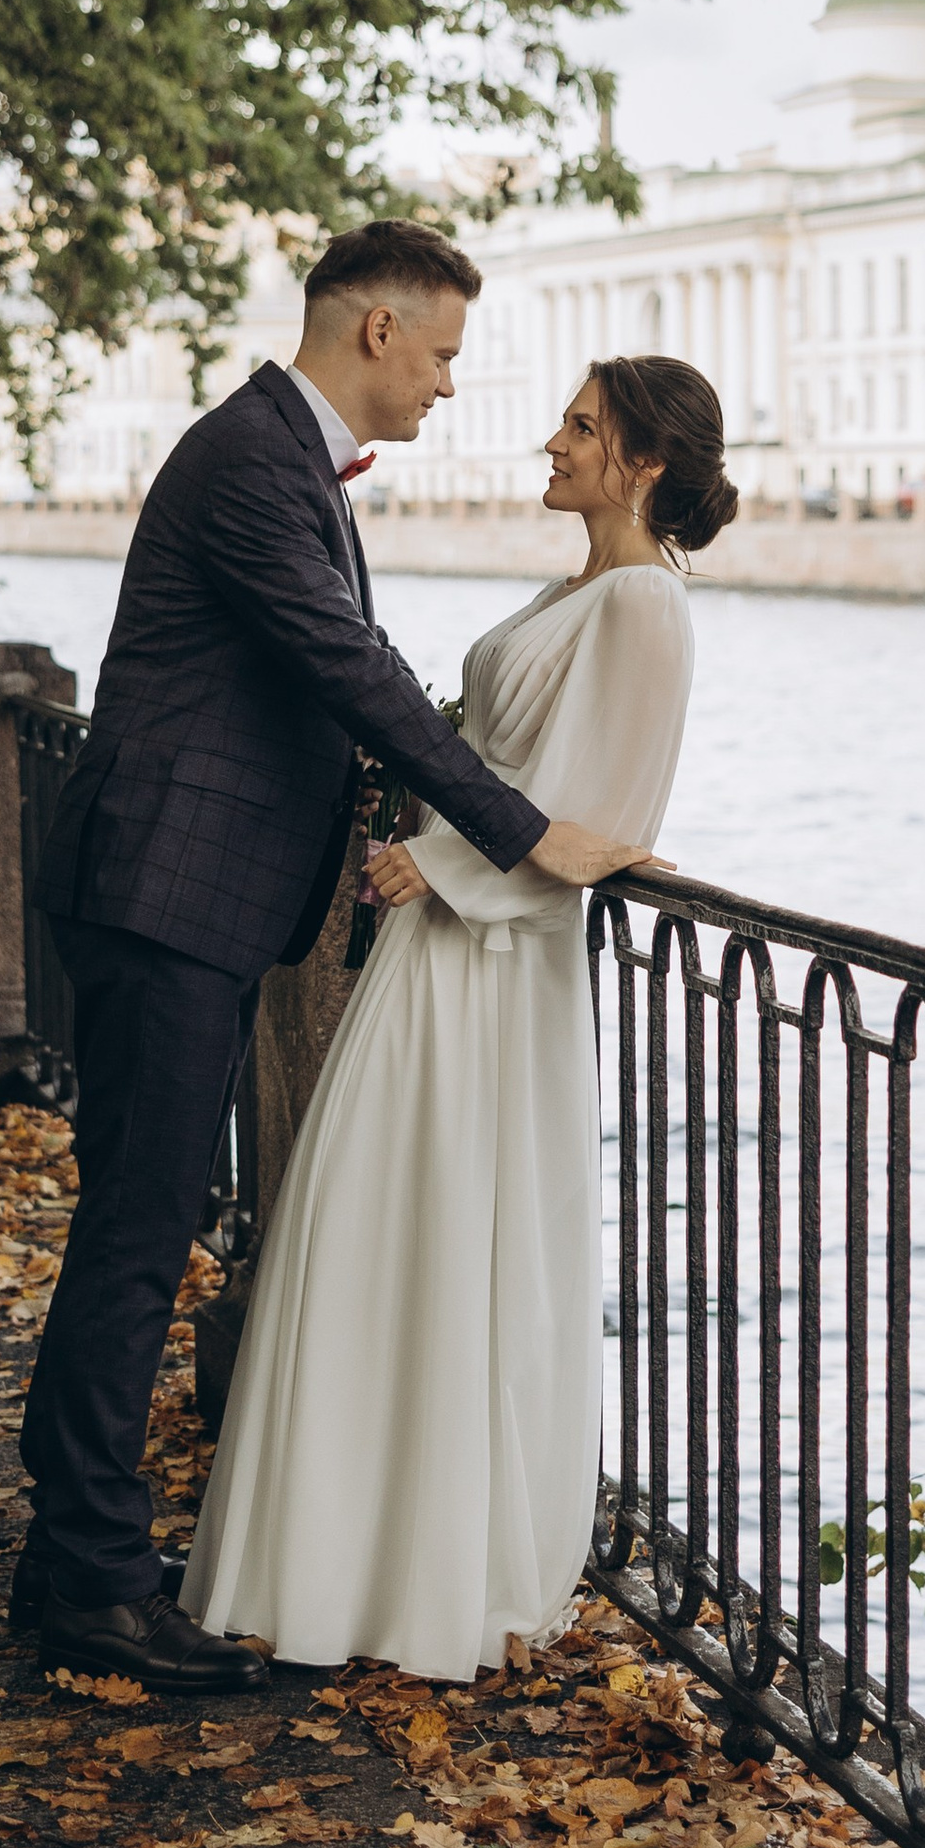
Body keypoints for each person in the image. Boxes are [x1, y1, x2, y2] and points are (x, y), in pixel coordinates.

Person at [11, 223, 657, 1692]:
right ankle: (92, 1582)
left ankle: (75, 1554)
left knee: (137, 1221)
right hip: (166, 893)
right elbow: (343, 668)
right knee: (136, 1232)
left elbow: (318, 683)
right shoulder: (253, 461)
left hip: (180, 892)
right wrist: (522, 830)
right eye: (439, 356)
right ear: (377, 333)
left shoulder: (276, 457)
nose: (444, 389)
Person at [182, 355, 733, 1681]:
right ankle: (337, 1562)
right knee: (373, 1239)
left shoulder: (648, 607)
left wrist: (436, 864)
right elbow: (515, 770)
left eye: (583, 426)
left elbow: (606, 816)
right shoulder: (581, 588)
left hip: (492, 962)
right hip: (441, 950)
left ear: (645, 462)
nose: (553, 441)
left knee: (435, 1247)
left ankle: (417, 1576)